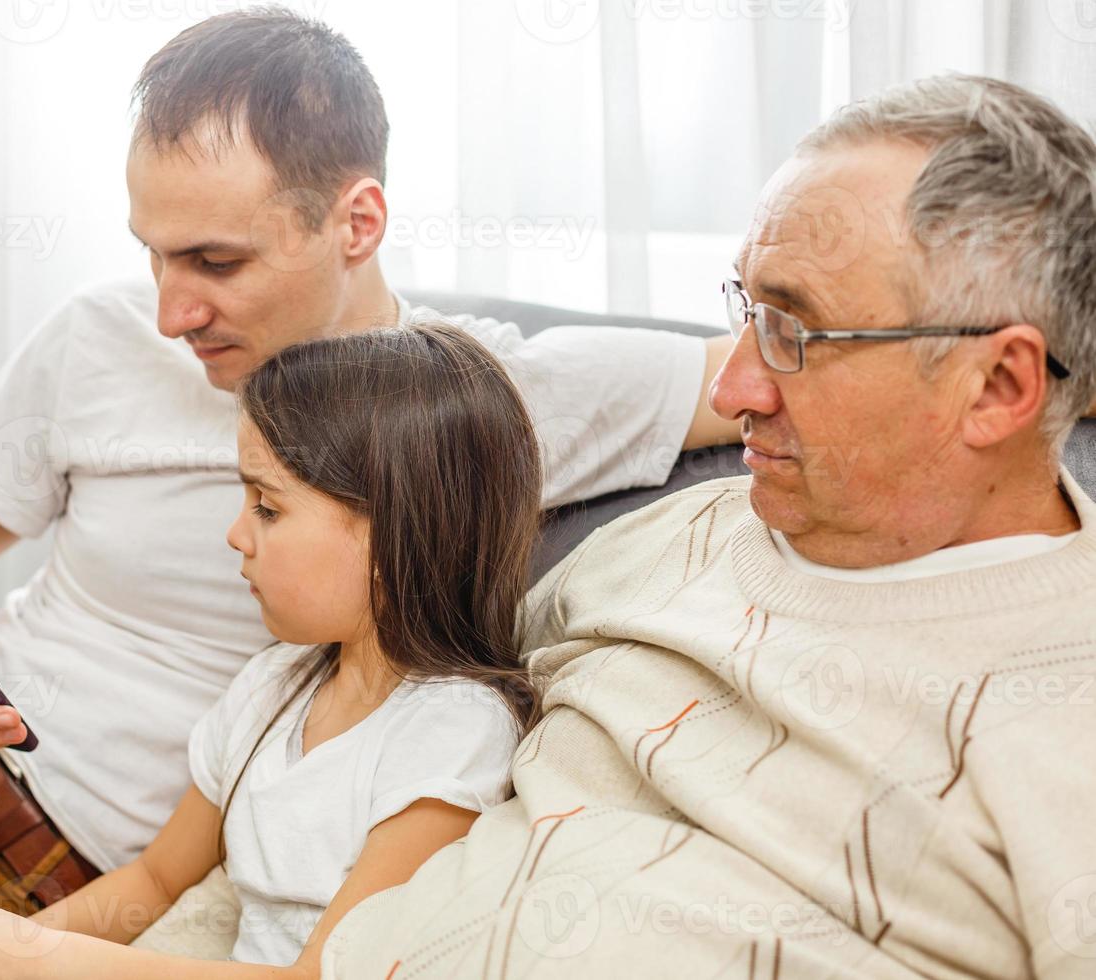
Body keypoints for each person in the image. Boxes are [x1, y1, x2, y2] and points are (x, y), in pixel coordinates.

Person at [0, 11, 737, 976]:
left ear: (356, 222)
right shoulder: (101, 338)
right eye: (152, 254)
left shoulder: (485, 403)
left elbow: (786, 367)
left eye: (215, 261)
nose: (170, 312)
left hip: (27, 876)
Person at [318, 74, 1096, 978]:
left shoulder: (1062, 714)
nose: (732, 393)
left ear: (998, 388)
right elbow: (393, 731)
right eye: (748, 311)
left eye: (793, 333)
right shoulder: (671, 537)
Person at [0, 323, 543, 978]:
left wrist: (47, 960)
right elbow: (152, 881)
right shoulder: (274, 686)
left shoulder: (451, 730)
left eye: (267, 508)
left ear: (396, 538)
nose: (236, 535)